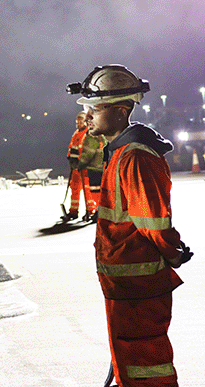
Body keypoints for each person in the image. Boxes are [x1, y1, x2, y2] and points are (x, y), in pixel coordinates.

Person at [67, 65, 193, 386]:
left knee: (145, 367)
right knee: (131, 366)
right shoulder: (120, 151)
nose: (88, 116)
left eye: (95, 108)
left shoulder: (135, 156)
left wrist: (173, 253)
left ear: (121, 110)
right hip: (125, 286)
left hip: (138, 287)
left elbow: (154, 221)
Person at [62, 111, 92, 223]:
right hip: (75, 167)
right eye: (77, 121)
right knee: (74, 188)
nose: (78, 123)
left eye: (81, 121)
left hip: (84, 167)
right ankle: (73, 211)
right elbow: (72, 148)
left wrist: (82, 162)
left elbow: (86, 151)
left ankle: (91, 210)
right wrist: (70, 160)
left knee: (87, 190)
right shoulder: (76, 133)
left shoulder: (87, 134)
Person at [79, 128, 106, 223]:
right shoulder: (103, 137)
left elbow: (88, 154)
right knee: (101, 191)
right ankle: (101, 211)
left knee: (95, 191)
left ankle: (99, 212)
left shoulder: (91, 139)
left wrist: (80, 164)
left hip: (94, 169)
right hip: (103, 168)